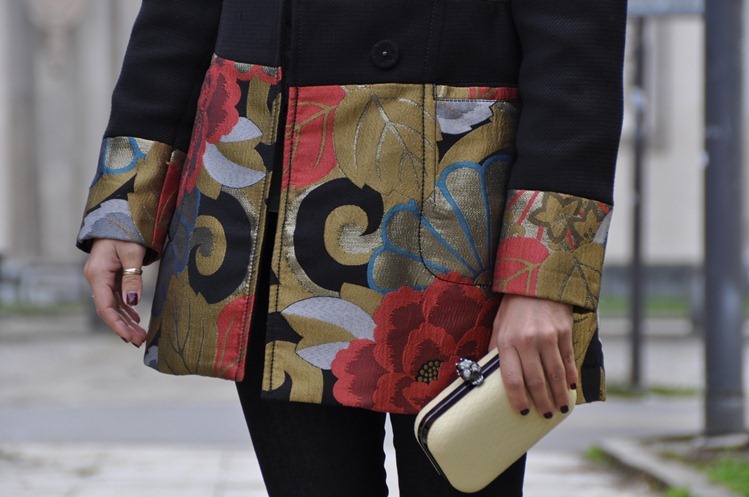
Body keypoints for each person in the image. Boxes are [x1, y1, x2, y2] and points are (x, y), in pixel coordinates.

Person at [78, 0, 627, 495]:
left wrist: (542, 278)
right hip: (267, 207)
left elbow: (576, 44)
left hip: (460, 211)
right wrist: (124, 208)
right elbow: (177, 18)